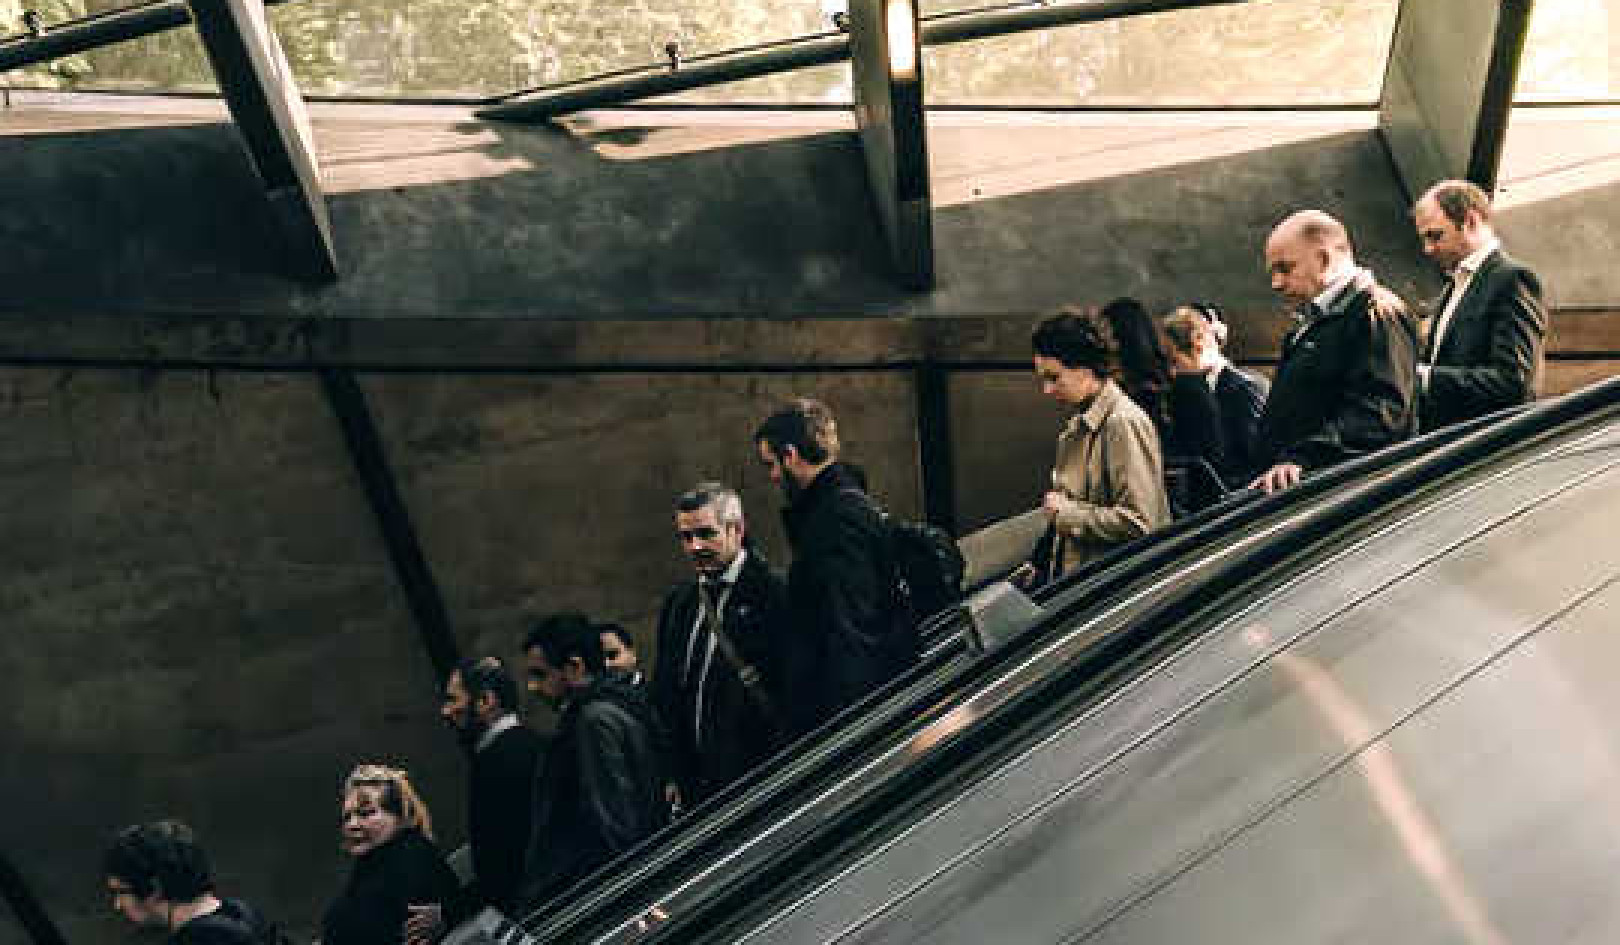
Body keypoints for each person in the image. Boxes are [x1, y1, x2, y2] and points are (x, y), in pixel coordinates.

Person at [754, 398, 908, 736]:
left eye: (771, 464)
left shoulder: (833, 523)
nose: (773, 477)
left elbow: (851, 631)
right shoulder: (844, 507)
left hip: (851, 723)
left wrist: (848, 734)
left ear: (791, 455)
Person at [1250, 210, 1418, 494]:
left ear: (1325, 259)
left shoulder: (1373, 313)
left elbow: (1382, 411)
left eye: (1285, 268)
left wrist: (1305, 458)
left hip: (1349, 493)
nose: (1276, 284)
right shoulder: (1315, 321)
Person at [652, 481, 790, 808]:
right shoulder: (679, 605)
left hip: (759, 776)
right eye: (686, 538)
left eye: (706, 534)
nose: (695, 547)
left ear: (736, 530)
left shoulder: (774, 593)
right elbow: (667, 692)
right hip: (698, 789)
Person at [519, 613, 670, 907]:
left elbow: (615, 819)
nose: (532, 688)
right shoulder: (618, 704)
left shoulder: (593, 721)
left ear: (575, 667)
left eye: (541, 674)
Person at [1017, 308, 1171, 584]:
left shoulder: (1122, 423)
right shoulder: (1082, 425)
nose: (1047, 391)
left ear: (1086, 369)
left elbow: (1141, 523)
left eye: (1054, 377)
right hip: (1088, 584)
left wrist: (1066, 513)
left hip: (1115, 590)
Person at [1412, 179, 1547, 431]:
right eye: (1424, 239)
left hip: (1485, 446)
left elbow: (1514, 383)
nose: (1428, 249)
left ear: (1471, 221)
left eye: (1435, 236)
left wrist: (1424, 377)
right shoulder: (1454, 285)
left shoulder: (1512, 279)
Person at [438, 657, 542, 917]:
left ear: (485, 701)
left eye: (453, 699)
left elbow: (505, 862)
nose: (445, 711)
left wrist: (451, 911)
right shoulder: (527, 744)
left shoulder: (498, 762)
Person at [321, 764, 458, 945]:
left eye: (366, 813)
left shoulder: (411, 857)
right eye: (347, 817)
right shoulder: (370, 864)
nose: (351, 825)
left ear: (400, 817)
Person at [103, 820, 276, 943]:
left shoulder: (197, 939)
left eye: (121, 892)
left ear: (154, 887)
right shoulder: (247, 916)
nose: (117, 905)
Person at [1162, 302, 1269, 487]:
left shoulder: (1245, 389)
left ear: (1198, 343)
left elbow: (1256, 460)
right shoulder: (1188, 390)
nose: (1172, 371)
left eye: (1174, 360)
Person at [1100, 296, 1174, 435]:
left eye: (1106, 328)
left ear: (1122, 330)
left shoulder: (1147, 383)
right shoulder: (1154, 369)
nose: (1102, 335)